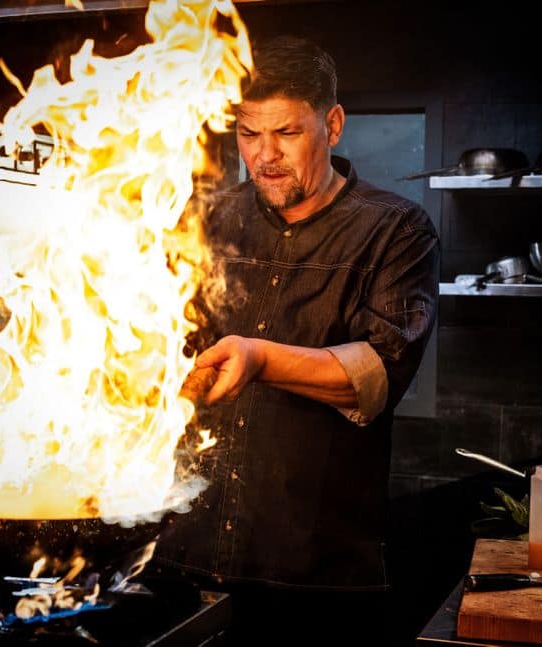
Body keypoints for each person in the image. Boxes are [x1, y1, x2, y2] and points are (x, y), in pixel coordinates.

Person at [154, 35, 439, 644]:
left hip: (314, 576)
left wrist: (257, 357)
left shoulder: (396, 229)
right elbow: (159, 340)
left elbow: (376, 375)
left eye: (286, 132)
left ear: (332, 124)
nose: (264, 156)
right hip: (181, 555)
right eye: (249, 134)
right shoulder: (207, 221)